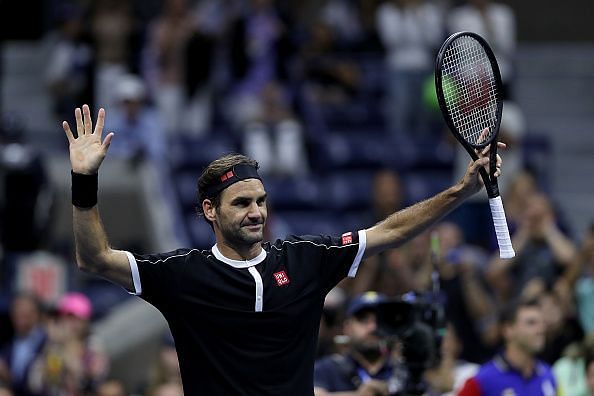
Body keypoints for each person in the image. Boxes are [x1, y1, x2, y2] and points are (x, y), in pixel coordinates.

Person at [61, 104, 504, 395]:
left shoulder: (305, 258)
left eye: (261, 201)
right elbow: (94, 257)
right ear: (209, 211)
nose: (256, 212)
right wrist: (85, 179)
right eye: (241, 203)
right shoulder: (182, 274)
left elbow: (390, 232)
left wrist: (460, 190)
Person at [458, 299, 557, 396]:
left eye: (542, 323)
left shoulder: (549, 375)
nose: (541, 329)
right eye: (531, 323)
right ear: (508, 330)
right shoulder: (482, 380)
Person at [314, 292, 392, 395]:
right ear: (347, 327)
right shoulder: (326, 369)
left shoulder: (404, 370)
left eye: (381, 320)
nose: (373, 328)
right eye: (364, 320)